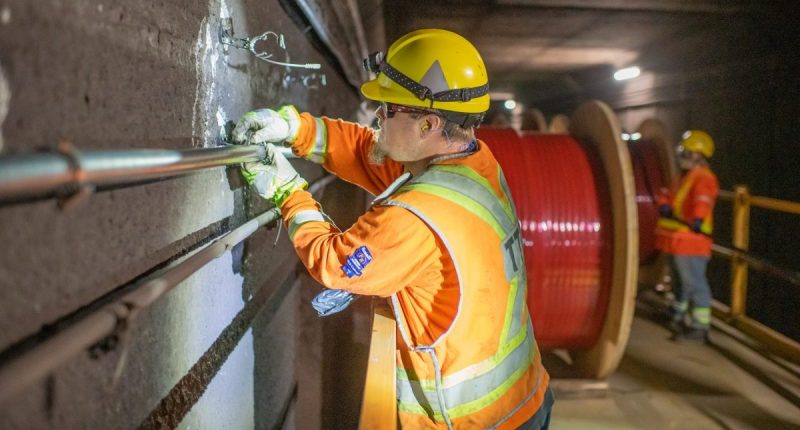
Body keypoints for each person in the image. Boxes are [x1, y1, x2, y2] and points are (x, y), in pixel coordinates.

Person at [231, 29, 553, 429]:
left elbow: (336, 264)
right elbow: (370, 153)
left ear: (428, 124)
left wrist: (286, 191)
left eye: (388, 109)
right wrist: (296, 130)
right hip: (527, 394)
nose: (376, 115)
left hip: (477, 422)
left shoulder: (415, 216)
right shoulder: (475, 164)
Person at [655, 130, 719, 343]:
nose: (682, 156)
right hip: (678, 241)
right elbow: (667, 193)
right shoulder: (684, 177)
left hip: (691, 243)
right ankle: (677, 313)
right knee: (679, 282)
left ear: (699, 155)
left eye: (687, 152)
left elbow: (703, 200)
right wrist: (664, 204)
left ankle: (700, 327)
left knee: (694, 284)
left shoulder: (703, 178)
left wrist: (698, 219)